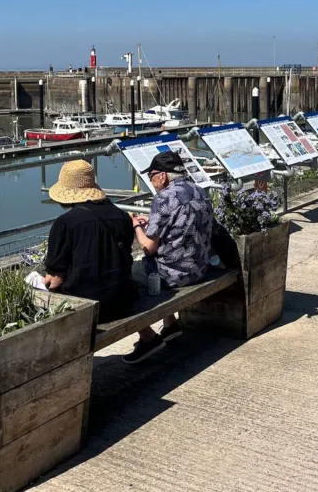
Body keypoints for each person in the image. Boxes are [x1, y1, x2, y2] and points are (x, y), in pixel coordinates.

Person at [124, 151, 214, 364]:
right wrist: (152, 223)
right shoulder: (199, 190)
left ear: (162, 176)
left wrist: (136, 225)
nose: (151, 181)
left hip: (174, 275)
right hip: (200, 268)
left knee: (124, 278)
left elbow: (148, 248)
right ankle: (170, 324)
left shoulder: (164, 198)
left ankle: (147, 339)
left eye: (152, 176)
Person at [43, 160, 138, 320]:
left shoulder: (65, 222)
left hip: (85, 307)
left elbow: (56, 279)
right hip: (123, 300)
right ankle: (149, 337)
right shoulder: (122, 216)